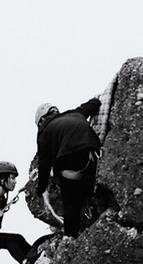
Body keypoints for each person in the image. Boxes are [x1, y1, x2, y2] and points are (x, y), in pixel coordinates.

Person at [34, 101, 103, 238]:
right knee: (85, 188)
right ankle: (91, 197)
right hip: (90, 157)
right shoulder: (75, 113)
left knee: (70, 201)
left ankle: (70, 236)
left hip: (68, 162)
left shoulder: (44, 132)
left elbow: (44, 163)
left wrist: (41, 188)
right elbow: (95, 103)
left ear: (41, 120)